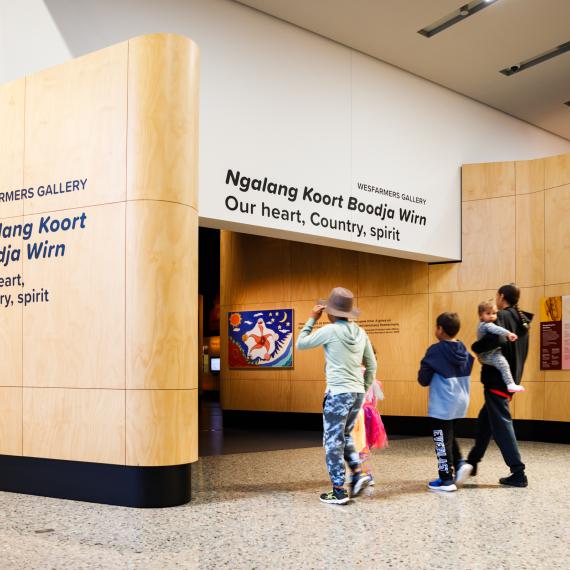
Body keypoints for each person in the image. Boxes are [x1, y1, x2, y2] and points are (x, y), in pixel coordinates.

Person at [297, 287, 377, 505]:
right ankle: (358, 474)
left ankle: (339, 491)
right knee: (346, 435)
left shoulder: (330, 330)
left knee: (332, 441)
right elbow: (372, 364)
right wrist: (362, 386)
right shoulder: (361, 332)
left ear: (330, 312)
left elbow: (301, 343)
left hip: (338, 394)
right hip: (357, 393)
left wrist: (312, 318)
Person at [457, 283, 533, 488]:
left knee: (501, 424)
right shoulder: (523, 321)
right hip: (510, 379)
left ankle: (518, 472)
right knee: (485, 422)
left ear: (501, 296)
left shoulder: (501, 317)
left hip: (496, 380)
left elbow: (493, 339)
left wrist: (474, 347)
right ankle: (472, 463)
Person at [418, 312, 474, 492]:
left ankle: (446, 480)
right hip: (461, 401)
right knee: (448, 435)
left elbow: (423, 379)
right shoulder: (463, 349)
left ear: (440, 329)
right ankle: (459, 463)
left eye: (436, 327)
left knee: (441, 440)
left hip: (443, 403)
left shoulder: (435, 351)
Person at [476, 299, 524, 393]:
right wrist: (508, 333)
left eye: (494, 313)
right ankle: (510, 384)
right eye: (488, 313)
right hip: (488, 354)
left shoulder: (485, 324)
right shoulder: (485, 325)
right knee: (504, 364)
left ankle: (510, 384)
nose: (492, 316)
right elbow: (496, 329)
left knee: (503, 364)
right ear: (481, 315)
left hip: (488, 353)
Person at [352, 378, 388, 485]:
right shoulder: (375, 382)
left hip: (358, 413)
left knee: (358, 445)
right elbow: (376, 400)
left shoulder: (354, 379)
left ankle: (359, 474)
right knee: (365, 445)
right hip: (370, 414)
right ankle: (368, 474)